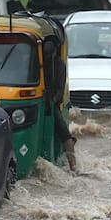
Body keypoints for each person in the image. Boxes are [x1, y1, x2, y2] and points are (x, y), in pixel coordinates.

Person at [43, 40, 77, 172]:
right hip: (38, 100)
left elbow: (60, 90)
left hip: (52, 103)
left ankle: (73, 166)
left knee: (64, 132)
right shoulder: (34, 60)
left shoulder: (58, 65)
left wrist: (52, 101)